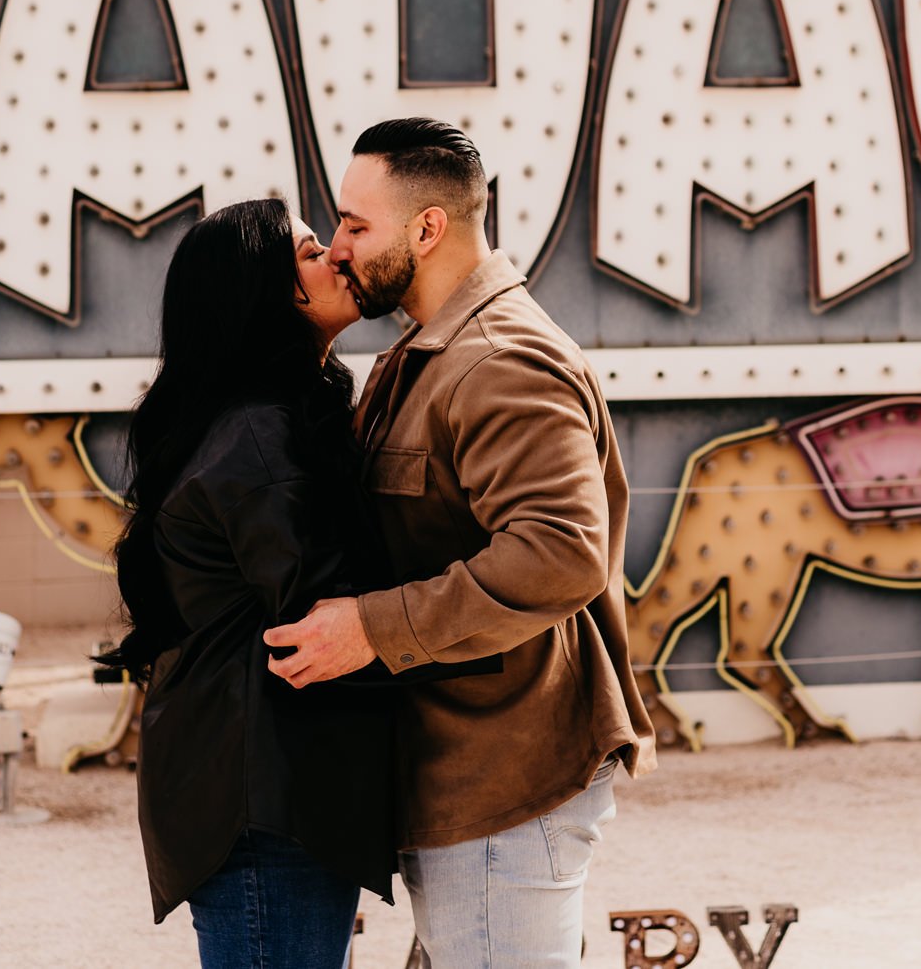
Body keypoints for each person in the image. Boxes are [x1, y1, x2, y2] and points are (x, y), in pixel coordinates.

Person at [265, 117, 658, 968]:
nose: (336, 249)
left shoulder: (500, 358)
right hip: (466, 777)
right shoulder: (425, 354)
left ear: (428, 228)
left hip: (505, 785)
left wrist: (370, 627)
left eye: (355, 225)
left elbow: (559, 553)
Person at [101, 197, 493, 968]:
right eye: (311, 251)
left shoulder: (273, 417)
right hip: (264, 800)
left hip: (266, 787)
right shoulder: (258, 436)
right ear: (265, 294)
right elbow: (324, 617)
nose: (338, 255)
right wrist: (502, 626)